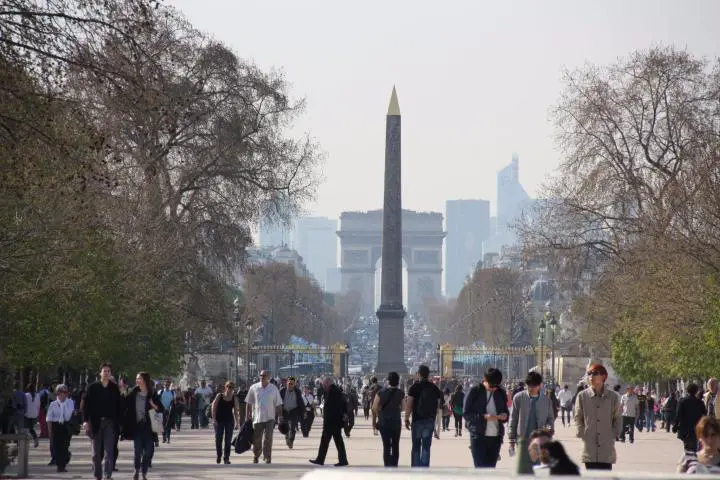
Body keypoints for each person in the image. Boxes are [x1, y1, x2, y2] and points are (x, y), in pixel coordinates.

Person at [573, 363, 621, 471]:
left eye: (594, 373)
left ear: (604, 376)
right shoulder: (582, 396)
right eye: (589, 374)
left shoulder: (613, 397)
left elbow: (617, 418)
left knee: (605, 476)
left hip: (606, 445)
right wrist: (582, 432)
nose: (591, 376)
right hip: (589, 445)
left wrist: (614, 433)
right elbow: (578, 417)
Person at [509, 371, 555, 474]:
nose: (531, 388)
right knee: (523, 470)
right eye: (529, 385)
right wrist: (511, 440)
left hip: (539, 442)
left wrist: (548, 432)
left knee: (537, 470)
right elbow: (513, 419)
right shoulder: (518, 398)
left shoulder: (546, 400)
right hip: (522, 440)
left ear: (539, 385)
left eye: (534, 386)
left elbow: (550, 419)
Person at [83, 362, 123, 480]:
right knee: (96, 453)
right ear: (100, 373)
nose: (106, 373)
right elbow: (86, 406)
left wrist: (119, 423)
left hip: (110, 423)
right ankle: (98, 475)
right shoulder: (92, 387)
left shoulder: (114, 388)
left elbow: (118, 406)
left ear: (111, 373)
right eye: (104, 371)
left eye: (108, 371)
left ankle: (107, 475)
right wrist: (85, 421)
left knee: (109, 451)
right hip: (95, 423)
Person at [463, 367, 510, 468]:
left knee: (491, 470)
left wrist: (505, 416)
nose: (493, 388)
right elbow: (466, 414)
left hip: (495, 438)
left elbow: (506, 411)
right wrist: (483, 417)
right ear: (485, 379)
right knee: (480, 470)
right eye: (491, 385)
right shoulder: (474, 391)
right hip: (478, 436)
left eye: (496, 386)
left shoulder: (500, 393)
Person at [121, 372, 161, 480]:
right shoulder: (133, 392)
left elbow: (160, 409)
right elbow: (124, 403)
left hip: (149, 428)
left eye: (139, 378)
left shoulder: (152, 393)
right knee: (137, 451)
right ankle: (137, 470)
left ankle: (144, 472)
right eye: (136, 378)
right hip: (137, 427)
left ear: (145, 380)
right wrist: (122, 391)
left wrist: (153, 405)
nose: (137, 380)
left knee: (148, 451)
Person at [405, 365, 443, 467]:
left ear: (419, 374)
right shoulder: (434, 387)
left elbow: (409, 404)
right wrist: (437, 426)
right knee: (426, 447)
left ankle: (416, 469)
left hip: (417, 420)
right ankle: (424, 470)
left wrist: (406, 418)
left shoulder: (414, 387)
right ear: (428, 374)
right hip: (429, 421)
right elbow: (439, 407)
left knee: (416, 446)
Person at [245, 370, 283, 464]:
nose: (262, 377)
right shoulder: (254, 388)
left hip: (270, 418)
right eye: (261, 375)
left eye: (264, 375)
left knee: (268, 438)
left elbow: (278, 404)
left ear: (268, 377)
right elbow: (249, 403)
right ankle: (256, 455)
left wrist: (280, 416)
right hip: (257, 418)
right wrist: (247, 416)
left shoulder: (273, 388)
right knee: (257, 439)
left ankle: (267, 457)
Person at [309, 376, 349, 467]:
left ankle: (320, 460)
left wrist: (327, 418)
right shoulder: (335, 391)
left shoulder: (333, 392)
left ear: (327, 384)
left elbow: (331, 407)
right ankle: (342, 460)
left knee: (327, 441)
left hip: (331, 421)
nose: (323, 387)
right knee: (337, 441)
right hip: (335, 421)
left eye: (323, 385)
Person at [372, 371, 405, 467]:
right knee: (395, 445)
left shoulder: (380, 392)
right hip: (396, 422)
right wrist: (395, 409)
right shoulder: (401, 393)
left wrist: (380, 412)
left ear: (388, 381)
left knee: (386, 446)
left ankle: (387, 466)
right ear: (398, 382)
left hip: (384, 422)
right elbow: (403, 408)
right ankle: (394, 465)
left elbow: (374, 407)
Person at [46, 384, 75, 474]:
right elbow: (49, 418)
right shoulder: (53, 404)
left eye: (66, 392)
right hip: (56, 426)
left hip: (66, 426)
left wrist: (63, 405)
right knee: (57, 447)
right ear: (57, 393)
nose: (65, 394)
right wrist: (50, 431)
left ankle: (65, 460)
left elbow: (68, 415)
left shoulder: (70, 402)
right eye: (62, 392)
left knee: (65, 447)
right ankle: (60, 466)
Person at [212, 381, 240, 464]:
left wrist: (237, 423)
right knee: (218, 439)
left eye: (231, 387)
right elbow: (213, 408)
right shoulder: (219, 396)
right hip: (219, 420)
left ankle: (226, 458)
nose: (230, 388)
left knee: (228, 440)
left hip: (229, 421)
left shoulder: (234, 398)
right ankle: (219, 455)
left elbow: (236, 411)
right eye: (228, 386)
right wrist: (214, 420)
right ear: (225, 387)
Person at [674, 383, 707, 453]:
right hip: (696, 429)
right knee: (695, 447)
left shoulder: (682, 401)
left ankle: (689, 460)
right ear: (696, 391)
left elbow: (678, 414)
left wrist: (675, 425)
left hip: (685, 429)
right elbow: (705, 415)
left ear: (687, 391)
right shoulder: (700, 402)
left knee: (687, 448)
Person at [279, 377, 304, 449]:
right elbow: (278, 402)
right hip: (285, 411)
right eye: (289, 383)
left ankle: (291, 441)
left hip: (294, 411)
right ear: (287, 383)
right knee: (286, 427)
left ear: (294, 384)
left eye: (292, 384)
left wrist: (304, 411)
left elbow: (300, 401)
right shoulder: (282, 391)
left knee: (292, 427)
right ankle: (287, 439)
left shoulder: (297, 391)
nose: (290, 385)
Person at [25, 383, 41, 448]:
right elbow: (38, 405)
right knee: (30, 427)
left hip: (27, 414)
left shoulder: (26, 395)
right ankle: (34, 439)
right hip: (34, 414)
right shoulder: (37, 395)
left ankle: (33, 439)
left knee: (28, 428)